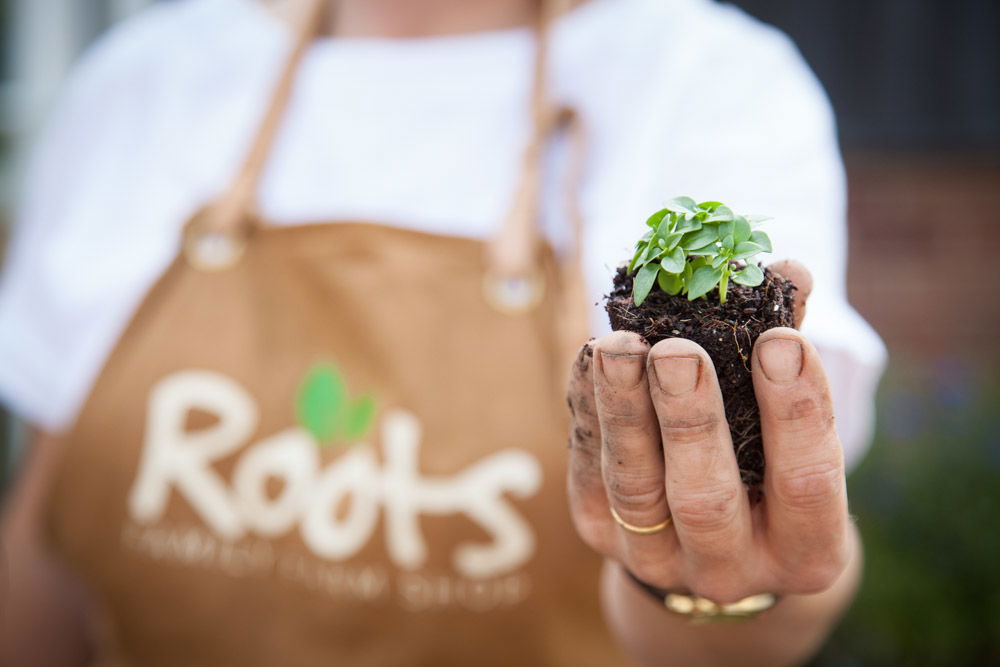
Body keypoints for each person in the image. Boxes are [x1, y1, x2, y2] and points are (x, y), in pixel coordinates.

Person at [0, 0, 885, 664]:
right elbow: (48, 530)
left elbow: (772, 577)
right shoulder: (149, 79)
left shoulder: (705, 82)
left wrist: (718, 589)